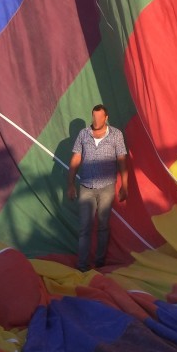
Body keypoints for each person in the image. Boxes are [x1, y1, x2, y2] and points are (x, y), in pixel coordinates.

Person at [67, 104, 128, 271]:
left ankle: (100, 262)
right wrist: (71, 183)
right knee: (85, 227)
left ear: (106, 118)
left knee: (103, 225)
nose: (96, 120)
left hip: (107, 187)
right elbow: (76, 159)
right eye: (94, 116)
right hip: (86, 186)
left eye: (100, 117)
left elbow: (122, 159)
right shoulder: (83, 134)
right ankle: (82, 266)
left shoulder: (116, 134)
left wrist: (125, 183)